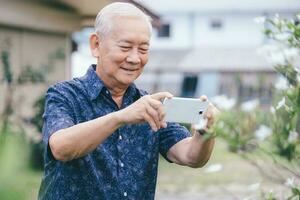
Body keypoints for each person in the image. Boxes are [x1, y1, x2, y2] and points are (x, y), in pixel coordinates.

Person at [38, 2, 218, 200]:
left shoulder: (148, 105)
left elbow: (190, 156)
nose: (134, 58)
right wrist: (121, 117)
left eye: (143, 49)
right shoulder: (64, 95)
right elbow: (61, 148)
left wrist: (204, 133)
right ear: (96, 45)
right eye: (125, 47)